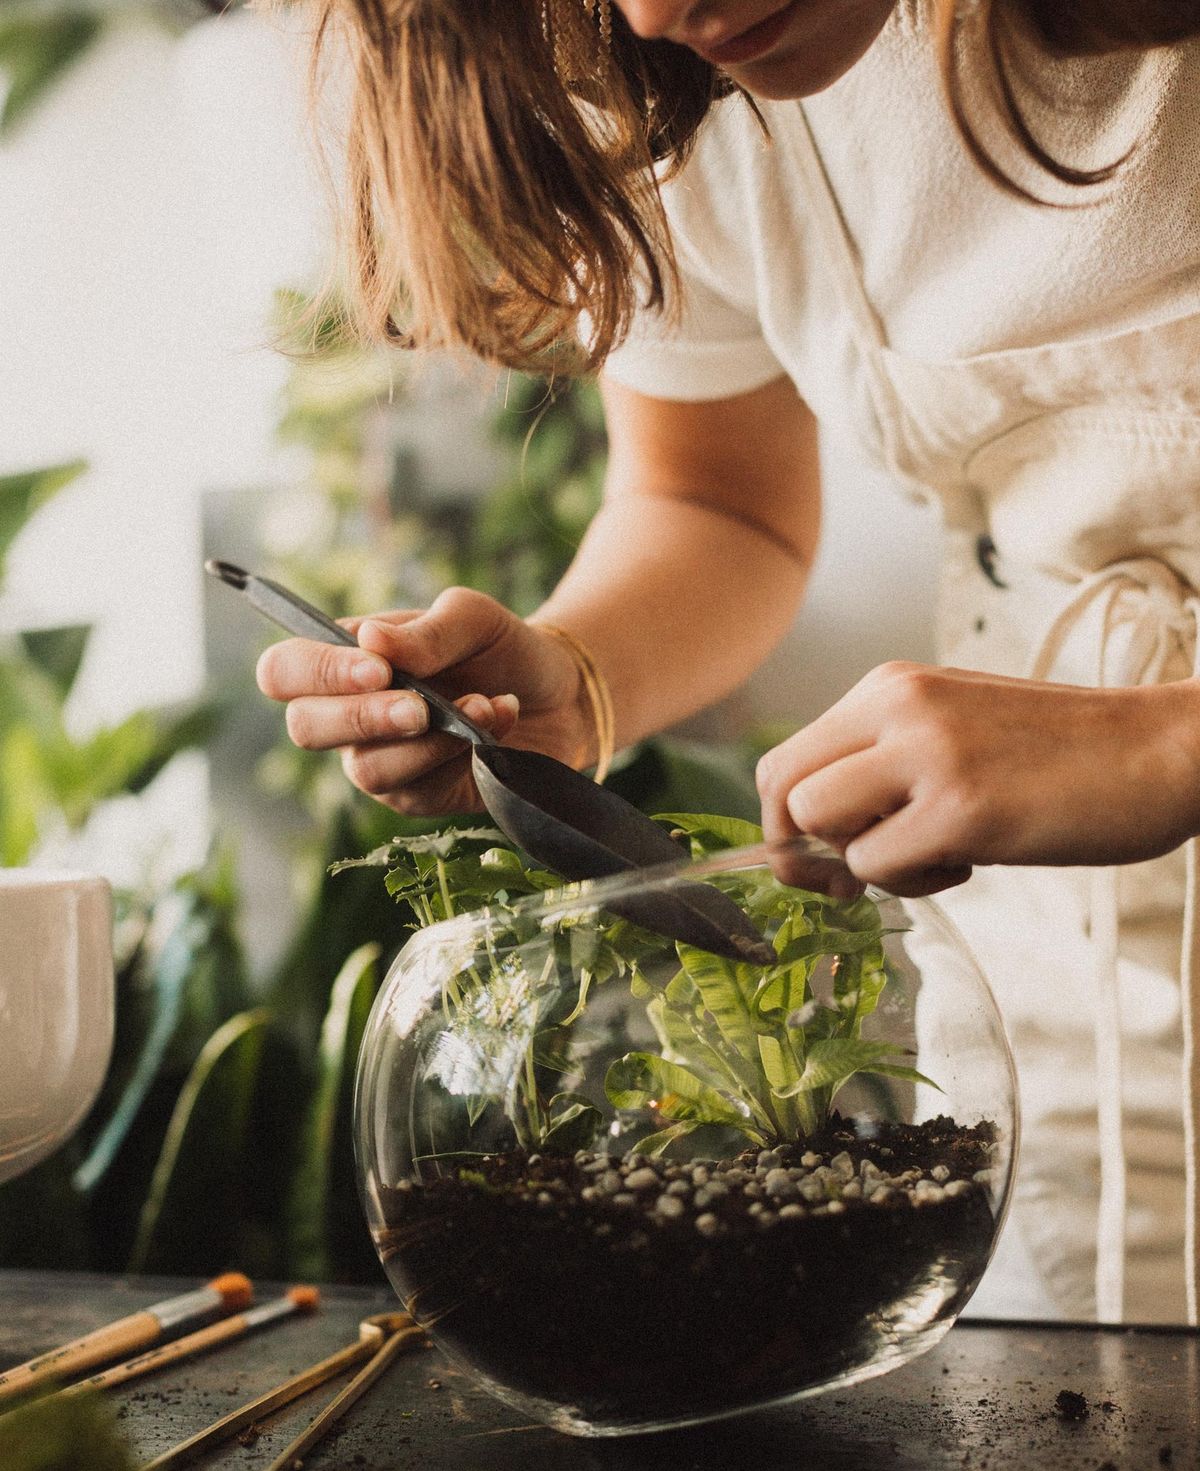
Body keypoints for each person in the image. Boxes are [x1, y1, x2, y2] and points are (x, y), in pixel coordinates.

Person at [256, 0, 1200, 1325]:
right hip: (1077, 980)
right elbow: (719, 502)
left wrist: (1168, 743)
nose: (652, 12)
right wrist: (578, 677)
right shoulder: (676, 70)